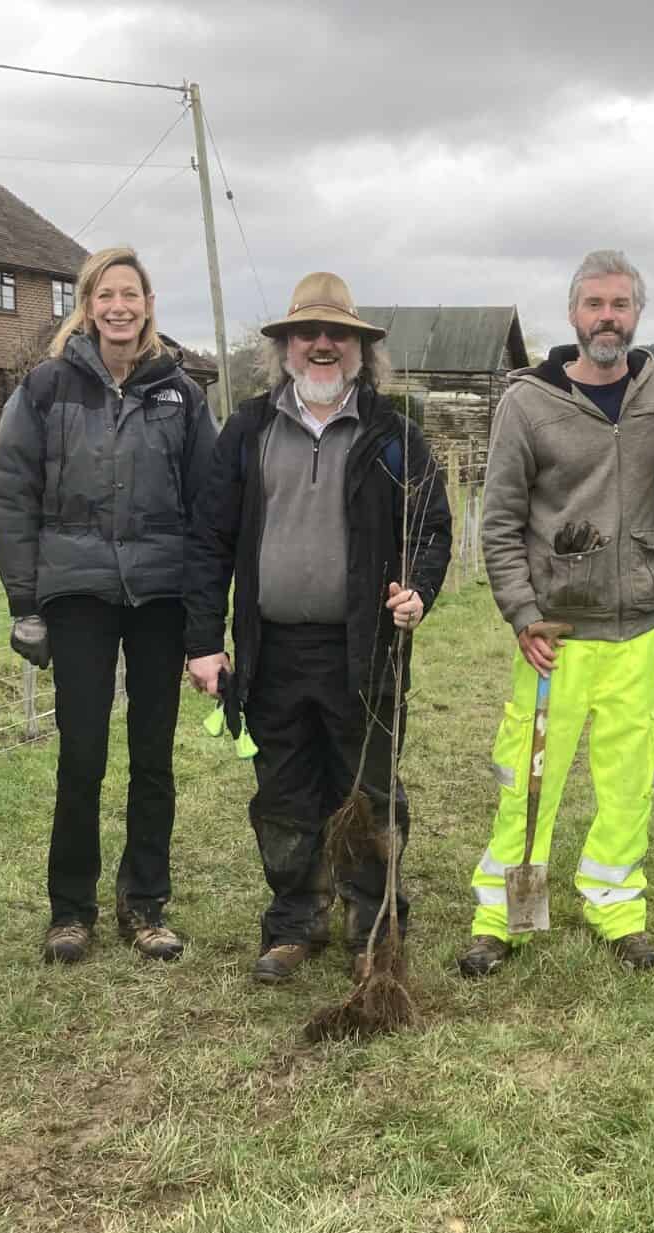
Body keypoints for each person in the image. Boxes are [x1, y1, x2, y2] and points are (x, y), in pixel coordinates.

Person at [185, 273, 452, 984]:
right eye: (310, 333)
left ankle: (373, 920)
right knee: (284, 791)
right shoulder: (246, 431)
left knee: (367, 789)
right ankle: (295, 919)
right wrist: (205, 641)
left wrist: (419, 590)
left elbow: (432, 528)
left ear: (362, 349)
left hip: (363, 649)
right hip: (272, 650)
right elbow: (210, 540)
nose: (324, 345)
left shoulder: (395, 436)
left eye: (339, 334)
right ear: (286, 347)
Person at [0, 246, 217, 963]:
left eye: (132, 295)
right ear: (87, 307)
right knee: (81, 754)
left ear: (148, 305)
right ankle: (71, 909)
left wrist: (206, 617)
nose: (119, 307)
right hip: (78, 594)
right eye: (105, 295)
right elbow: (10, 492)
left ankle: (145, 902)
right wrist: (26, 600)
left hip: (159, 597)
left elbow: (211, 507)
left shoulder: (180, 395)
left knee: (152, 757)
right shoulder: (48, 389)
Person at [459, 250, 654, 976]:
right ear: (573, 314)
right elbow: (499, 520)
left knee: (630, 780)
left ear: (637, 314)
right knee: (529, 777)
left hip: (639, 628)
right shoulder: (528, 401)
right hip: (554, 633)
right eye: (594, 304)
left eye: (620, 304)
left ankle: (616, 908)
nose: (607, 317)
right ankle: (505, 915)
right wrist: (523, 614)